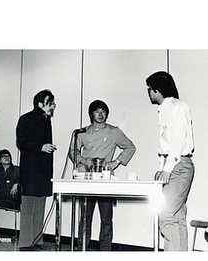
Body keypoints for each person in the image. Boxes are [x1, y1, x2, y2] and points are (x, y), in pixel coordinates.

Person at [69, 100, 136, 250]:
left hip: (106, 179)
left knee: (106, 218)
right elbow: (72, 152)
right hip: (87, 178)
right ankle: (82, 248)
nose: (100, 114)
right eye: (97, 111)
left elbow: (130, 147)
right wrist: (84, 161)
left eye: (103, 111)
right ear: (91, 114)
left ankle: (105, 250)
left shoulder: (114, 131)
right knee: (85, 217)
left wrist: (116, 162)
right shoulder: (82, 132)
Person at [146, 71, 195, 251]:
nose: (149, 93)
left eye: (150, 89)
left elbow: (178, 140)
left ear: (157, 90)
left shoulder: (177, 107)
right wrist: (161, 168)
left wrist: (167, 168)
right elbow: (165, 144)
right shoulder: (165, 109)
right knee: (177, 216)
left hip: (179, 165)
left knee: (166, 214)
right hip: (174, 164)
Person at [16, 89, 57, 251]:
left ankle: (36, 241)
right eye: (50, 103)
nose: (53, 106)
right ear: (40, 104)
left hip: (44, 171)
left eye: (53, 103)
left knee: (40, 205)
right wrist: (40, 147)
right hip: (31, 171)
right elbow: (22, 142)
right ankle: (26, 243)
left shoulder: (46, 120)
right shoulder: (26, 119)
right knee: (28, 207)